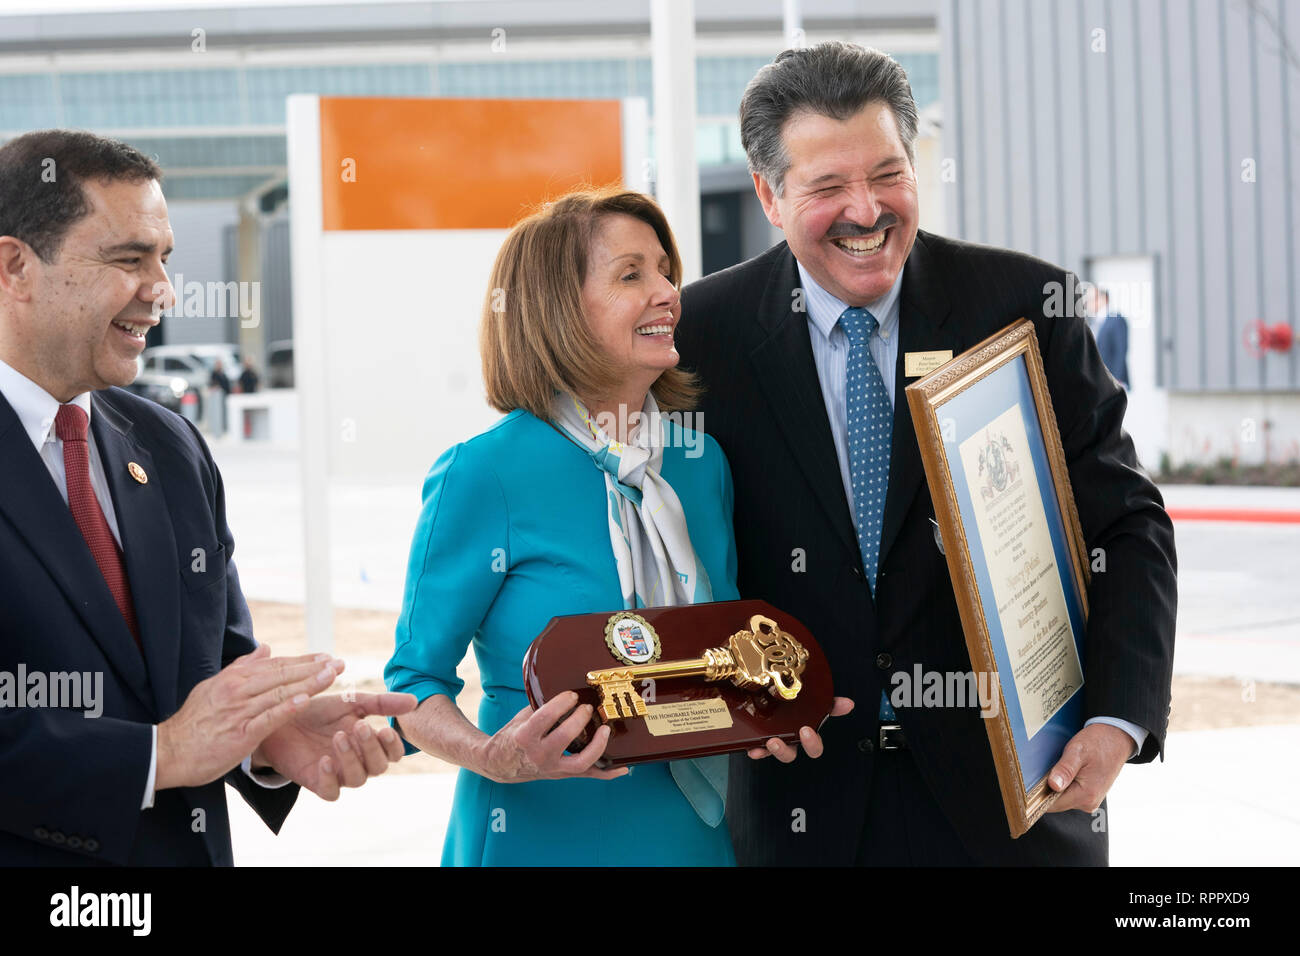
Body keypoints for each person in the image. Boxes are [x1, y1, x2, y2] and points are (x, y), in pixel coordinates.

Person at [676, 42, 1177, 866]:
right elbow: (668, 556)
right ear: (768, 193)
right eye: (828, 186)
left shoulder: (1025, 309)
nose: (867, 211)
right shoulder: (703, 337)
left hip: (1017, 807)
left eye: (888, 174)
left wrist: (1118, 720)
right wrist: (723, 699)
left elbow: (1128, 526)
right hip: (802, 812)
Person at [384, 187, 846, 866]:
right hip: (540, 834)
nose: (667, 292)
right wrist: (494, 757)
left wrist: (766, 712)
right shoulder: (485, 474)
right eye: (632, 274)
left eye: (666, 271)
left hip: (689, 836)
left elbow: (713, 651)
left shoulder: (699, 463)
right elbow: (412, 685)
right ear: (557, 310)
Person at [0, 130, 417, 866]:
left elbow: (211, 669)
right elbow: (174, 739)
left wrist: (267, 733)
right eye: (128, 260)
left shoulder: (169, 447)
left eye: (163, 259)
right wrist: (158, 756)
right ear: (15, 267)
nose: (160, 290)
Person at [1091, 289, 1131, 389]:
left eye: (1092, 299)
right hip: (1097, 381)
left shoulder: (1116, 319)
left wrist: (1117, 380)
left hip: (1114, 381)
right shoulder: (1093, 323)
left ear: (1103, 299)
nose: (1088, 303)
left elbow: (1121, 351)